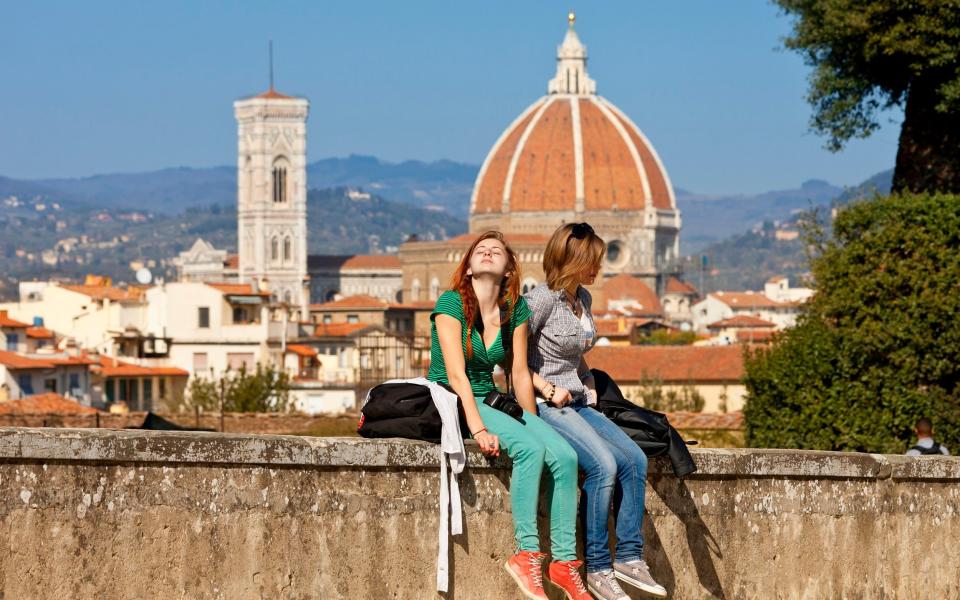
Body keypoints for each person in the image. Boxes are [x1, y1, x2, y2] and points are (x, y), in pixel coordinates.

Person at [427, 230, 590, 600]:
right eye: (479, 251)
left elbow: (517, 373)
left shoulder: (514, 309)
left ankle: (564, 564)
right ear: (468, 267)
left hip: (491, 396)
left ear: (509, 268)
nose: (486, 253)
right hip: (453, 398)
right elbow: (455, 376)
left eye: (495, 251)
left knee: (564, 456)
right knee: (530, 451)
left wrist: (535, 422)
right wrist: (479, 429)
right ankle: (526, 553)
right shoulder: (452, 303)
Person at [525, 223, 667, 600]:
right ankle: (598, 567)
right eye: (591, 261)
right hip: (547, 405)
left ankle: (630, 557)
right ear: (569, 260)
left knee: (635, 460)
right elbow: (512, 358)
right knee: (602, 466)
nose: (597, 268)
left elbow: (575, 354)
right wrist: (546, 388)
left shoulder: (582, 299)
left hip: (579, 401)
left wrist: (586, 380)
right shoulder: (540, 300)